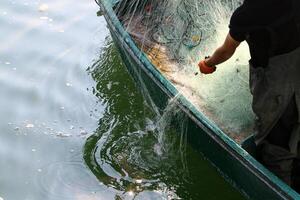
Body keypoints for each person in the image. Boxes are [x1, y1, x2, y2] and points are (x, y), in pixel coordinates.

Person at [198, 0, 300, 190]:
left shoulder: (246, 14)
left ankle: (279, 189)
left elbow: (227, 50)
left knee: (276, 145)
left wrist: (209, 63)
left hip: (276, 84)